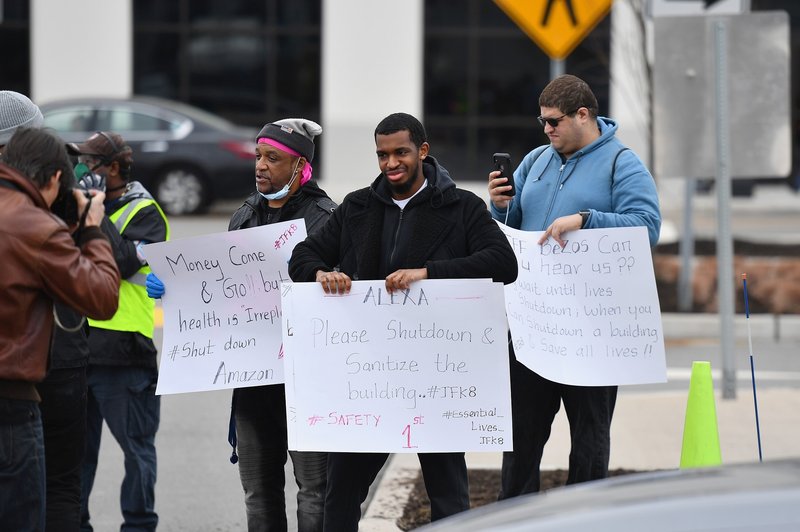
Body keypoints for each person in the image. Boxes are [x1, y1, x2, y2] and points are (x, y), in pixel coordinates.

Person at [288, 112, 518, 532]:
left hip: (436, 381)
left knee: (450, 500)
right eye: (382, 154)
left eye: (400, 153)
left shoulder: (461, 206)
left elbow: (504, 263)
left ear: (423, 151)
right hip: (369, 379)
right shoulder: (357, 206)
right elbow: (302, 257)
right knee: (341, 497)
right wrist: (323, 274)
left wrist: (428, 272)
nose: (390, 163)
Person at [147, 118, 334, 531]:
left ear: (301, 166)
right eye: (258, 156)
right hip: (253, 384)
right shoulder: (244, 215)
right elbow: (219, 288)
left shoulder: (326, 220)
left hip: (308, 383)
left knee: (316, 492)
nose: (260, 166)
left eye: (273, 158)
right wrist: (175, 289)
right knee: (258, 491)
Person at [487, 74, 661, 497]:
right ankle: (515, 522)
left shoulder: (623, 163)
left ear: (583, 115)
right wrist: (501, 205)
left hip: (593, 332)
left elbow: (647, 227)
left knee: (589, 444)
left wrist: (587, 219)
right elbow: (515, 230)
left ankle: (583, 519)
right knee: (521, 440)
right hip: (535, 325)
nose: (546, 130)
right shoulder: (535, 160)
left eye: (554, 122)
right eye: (543, 122)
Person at [0, 90, 124, 532]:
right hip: (34, 375)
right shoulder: (35, 220)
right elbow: (102, 295)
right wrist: (89, 227)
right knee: (52, 491)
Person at [71, 131, 170, 532]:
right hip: (77, 347)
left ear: (113, 168)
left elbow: (125, 261)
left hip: (125, 351)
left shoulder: (145, 212)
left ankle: (139, 524)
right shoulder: (73, 203)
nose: (80, 169)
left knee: (137, 452)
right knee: (76, 455)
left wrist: (92, 213)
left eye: (89, 162)